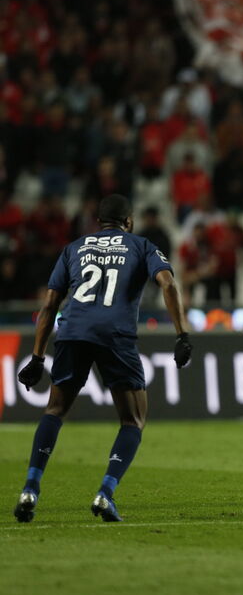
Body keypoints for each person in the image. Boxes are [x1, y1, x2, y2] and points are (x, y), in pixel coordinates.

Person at [14, 194, 192, 523]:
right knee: (133, 419)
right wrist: (182, 334)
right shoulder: (141, 245)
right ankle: (105, 493)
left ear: (98, 223)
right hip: (115, 335)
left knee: (54, 410)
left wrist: (38, 357)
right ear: (129, 222)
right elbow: (168, 284)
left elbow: (50, 304)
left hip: (72, 332)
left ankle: (29, 489)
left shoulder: (74, 248)